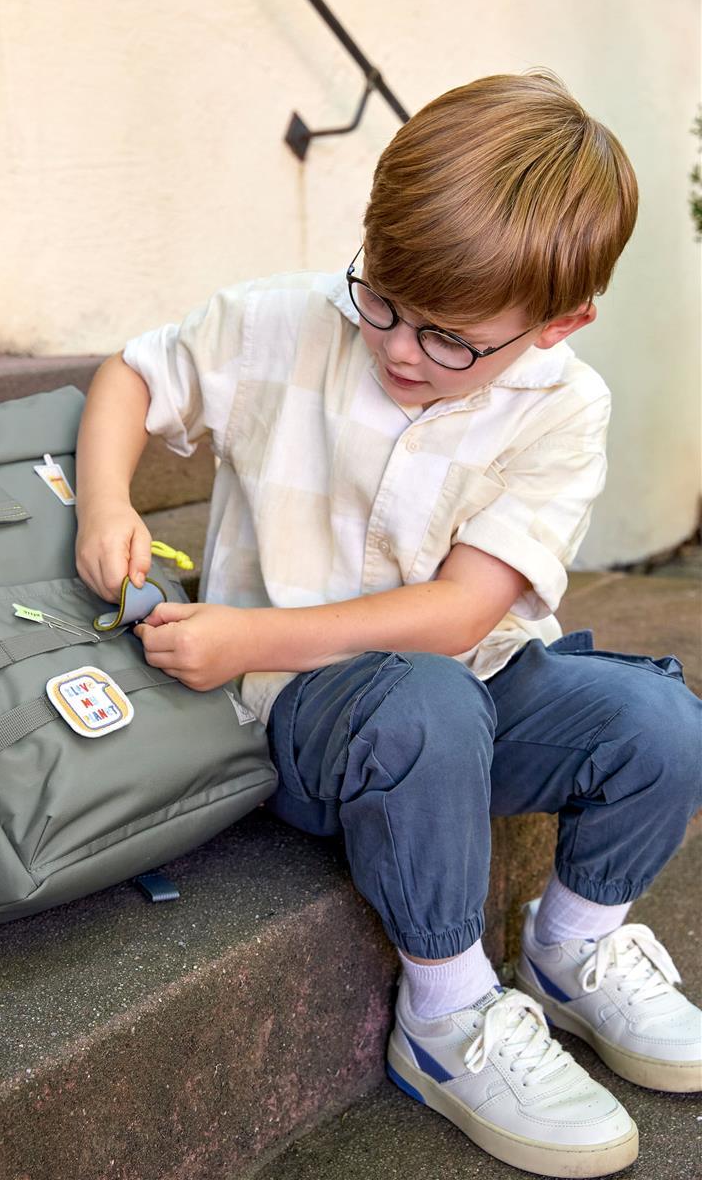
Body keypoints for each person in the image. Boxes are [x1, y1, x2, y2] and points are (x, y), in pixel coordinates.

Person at [75, 71, 702, 1178]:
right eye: (384, 302)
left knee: (660, 721)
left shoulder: (565, 406)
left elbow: (463, 611)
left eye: (452, 339)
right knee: (422, 703)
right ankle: (447, 1014)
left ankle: (571, 952)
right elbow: (131, 373)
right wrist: (110, 502)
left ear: (559, 324)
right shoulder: (281, 321)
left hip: (441, 681)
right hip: (315, 716)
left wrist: (236, 631)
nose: (402, 349)